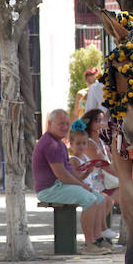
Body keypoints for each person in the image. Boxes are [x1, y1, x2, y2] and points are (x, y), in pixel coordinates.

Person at [82, 108, 133, 251]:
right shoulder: (89, 143)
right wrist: (125, 178)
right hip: (98, 181)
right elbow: (105, 165)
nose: (102, 123)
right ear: (90, 124)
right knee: (132, 193)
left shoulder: (103, 141)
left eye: (103, 120)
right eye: (98, 120)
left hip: (107, 180)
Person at [32, 109, 110, 254]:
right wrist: (82, 185)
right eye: (61, 123)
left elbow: (69, 174)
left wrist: (83, 181)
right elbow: (61, 174)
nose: (65, 127)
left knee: (99, 198)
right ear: (50, 123)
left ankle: (98, 239)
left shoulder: (59, 143)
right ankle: (89, 244)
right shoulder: (51, 144)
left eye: (67, 124)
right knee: (90, 199)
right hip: (51, 189)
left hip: (61, 185)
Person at [69, 120, 118, 249]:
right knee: (98, 200)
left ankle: (100, 231)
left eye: (84, 143)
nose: (81, 146)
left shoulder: (85, 158)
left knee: (106, 199)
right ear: (71, 144)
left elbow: (90, 176)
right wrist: (87, 174)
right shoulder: (74, 160)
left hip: (89, 186)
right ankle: (96, 233)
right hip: (80, 187)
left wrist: (96, 175)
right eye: (78, 143)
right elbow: (76, 178)